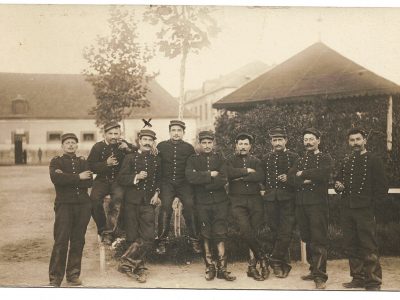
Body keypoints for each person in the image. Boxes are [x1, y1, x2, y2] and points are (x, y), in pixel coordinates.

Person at [334, 127, 387, 291]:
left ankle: (373, 281)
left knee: (368, 245)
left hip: (365, 210)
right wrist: (338, 186)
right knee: (351, 244)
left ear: (365, 140)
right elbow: (338, 181)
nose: (355, 143)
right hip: (348, 209)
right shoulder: (347, 161)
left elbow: (382, 188)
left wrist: (372, 208)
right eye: (352, 140)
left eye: (358, 139)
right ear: (348, 142)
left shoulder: (374, 160)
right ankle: (358, 278)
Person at [186, 131, 236, 281]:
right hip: (201, 202)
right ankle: (210, 267)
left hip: (220, 201)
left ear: (213, 143)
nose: (207, 146)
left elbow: (223, 178)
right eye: (204, 143)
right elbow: (190, 177)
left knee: (220, 233)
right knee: (205, 233)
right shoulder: (193, 159)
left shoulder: (220, 158)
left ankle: (222, 268)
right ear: (199, 144)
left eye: (209, 142)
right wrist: (209, 174)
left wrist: (203, 181)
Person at [289, 128, 333, 289]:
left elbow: (323, 174)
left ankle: (320, 276)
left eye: (311, 139)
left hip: (317, 205)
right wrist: (305, 179)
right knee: (307, 237)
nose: (308, 142)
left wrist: (303, 174)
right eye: (306, 139)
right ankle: (313, 269)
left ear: (318, 140)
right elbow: (291, 178)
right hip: (302, 205)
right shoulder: (300, 160)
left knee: (319, 238)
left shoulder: (325, 158)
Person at [48, 133, 93, 287]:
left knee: (78, 241)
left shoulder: (83, 161)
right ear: (62, 146)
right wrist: (78, 177)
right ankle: (55, 278)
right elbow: (56, 179)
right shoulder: (56, 162)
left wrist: (68, 178)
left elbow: (89, 182)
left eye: (73, 142)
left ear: (77, 145)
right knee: (61, 241)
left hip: (83, 206)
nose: (71, 145)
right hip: (64, 206)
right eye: (67, 143)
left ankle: (73, 275)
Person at [117, 129, 161, 283]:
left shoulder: (156, 160)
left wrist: (157, 193)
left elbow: (158, 179)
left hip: (148, 202)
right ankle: (139, 267)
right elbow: (121, 178)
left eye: (150, 140)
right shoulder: (130, 158)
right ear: (139, 141)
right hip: (131, 202)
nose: (147, 142)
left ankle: (126, 262)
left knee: (148, 236)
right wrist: (136, 177)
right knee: (132, 235)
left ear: (153, 142)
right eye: (145, 139)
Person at [226, 132, 267, 281]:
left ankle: (252, 267)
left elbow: (261, 176)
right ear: (236, 145)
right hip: (237, 201)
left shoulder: (256, 161)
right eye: (240, 143)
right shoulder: (230, 160)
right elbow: (228, 173)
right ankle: (262, 257)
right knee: (245, 230)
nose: (243, 147)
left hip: (255, 201)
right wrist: (246, 171)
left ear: (250, 146)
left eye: (246, 144)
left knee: (254, 232)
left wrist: (240, 177)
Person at [155, 120, 201, 254]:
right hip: (167, 183)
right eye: (173, 130)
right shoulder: (161, 146)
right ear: (169, 132)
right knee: (165, 207)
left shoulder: (188, 148)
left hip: (184, 183)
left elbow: (192, 167)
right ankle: (162, 241)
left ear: (183, 133)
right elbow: (157, 166)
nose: (176, 133)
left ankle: (194, 240)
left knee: (190, 205)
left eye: (179, 130)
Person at [88, 121, 135, 245]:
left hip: (118, 181)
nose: (113, 136)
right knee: (93, 200)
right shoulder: (97, 147)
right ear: (104, 134)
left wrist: (128, 150)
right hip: (102, 180)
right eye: (110, 133)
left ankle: (109, 233)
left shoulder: (124, 145)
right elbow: (90, 166)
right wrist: (105, 164)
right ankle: (103, 229)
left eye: (116, 133)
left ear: (120, 133)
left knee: (117, 201)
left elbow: (137, 157)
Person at [261, 127, 299, 278]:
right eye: (274, 140)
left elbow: (299, 177)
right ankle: (281, 265)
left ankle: (275, 259)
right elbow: (262, 178)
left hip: (288, 199)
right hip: (271, 199)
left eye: (280, 140)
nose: (277, 143)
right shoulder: (266, 158)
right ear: (271, 142)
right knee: (275, 231)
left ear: (286, 141)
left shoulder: (294, 157)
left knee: (287, 231)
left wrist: (289, 179)